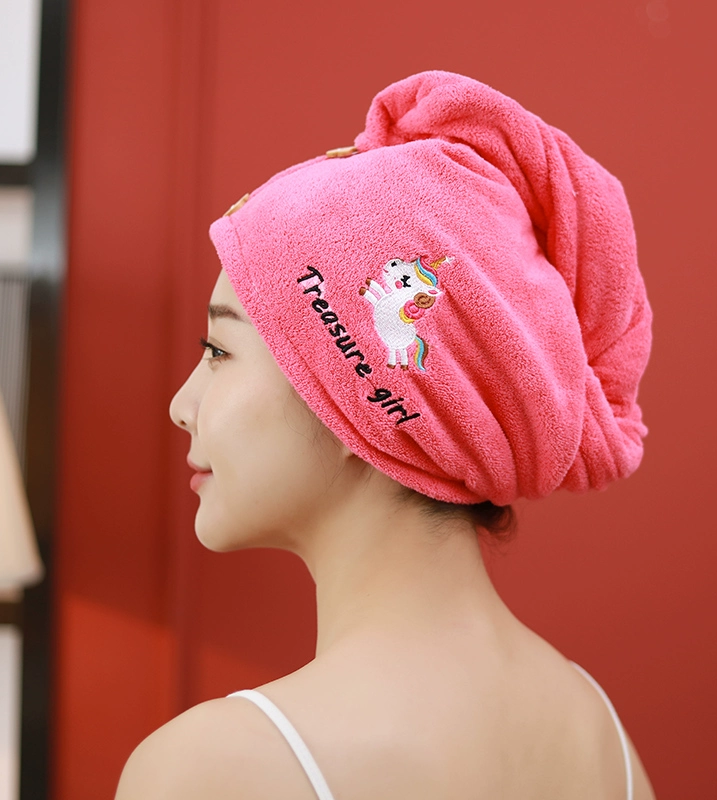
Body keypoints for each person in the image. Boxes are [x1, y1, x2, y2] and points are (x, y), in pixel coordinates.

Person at [115, 71, 656, 799]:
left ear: (358, 403)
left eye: (218, 351)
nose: (182, 405)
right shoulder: (600, 736)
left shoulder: (212, 769)